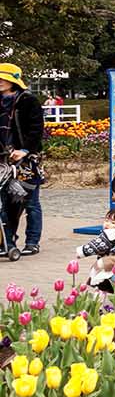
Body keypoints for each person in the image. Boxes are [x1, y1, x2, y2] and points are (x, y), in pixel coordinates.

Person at [0, 63, 45, 257]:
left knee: (30, 202)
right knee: (5, 204)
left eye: (3, 78)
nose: (0, 81)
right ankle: (7, 242)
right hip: (3, 160)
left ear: (14, 81)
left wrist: (25, 150)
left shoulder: (28, 100)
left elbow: (37, 129)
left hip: (26, 160)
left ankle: (32, 242)